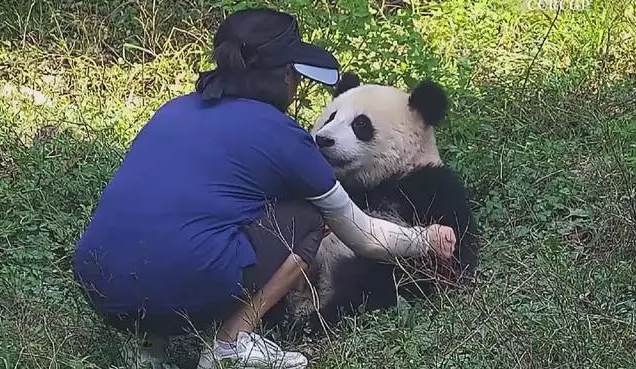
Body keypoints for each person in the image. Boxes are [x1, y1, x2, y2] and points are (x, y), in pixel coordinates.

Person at [71, 8, 457, 369]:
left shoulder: (174, 109)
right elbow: (365, 238)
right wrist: (426, 241)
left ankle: (146, 342)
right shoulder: (283, 138)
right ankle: (230, 342)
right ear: (287, 76)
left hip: (99, 289)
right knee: (309, 215)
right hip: (181, 287)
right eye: (297, 75)